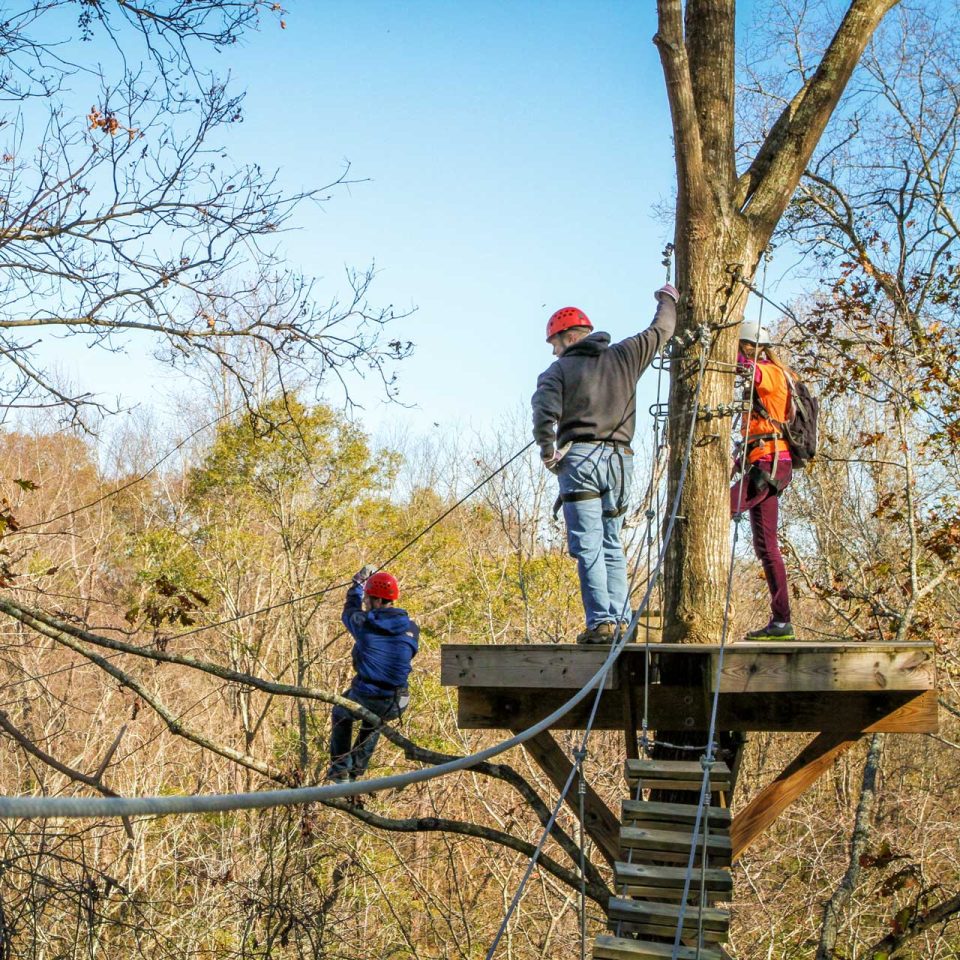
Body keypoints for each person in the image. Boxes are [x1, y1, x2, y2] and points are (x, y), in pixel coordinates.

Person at [532, 284, 678, 644]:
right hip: (620, 460)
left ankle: (601, 623)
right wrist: (667, 299)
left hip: (579, 459)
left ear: (566, 337)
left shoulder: (557, 370)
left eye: (554, 342)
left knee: (587, 545)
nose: (553, 350)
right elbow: (661, 330)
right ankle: (621, 621)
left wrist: (548, 451)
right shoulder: (626, 355)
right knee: (612, 542)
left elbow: (543, 414)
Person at [730, 320, 796, 640]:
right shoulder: (761, 381)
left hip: (770, 463)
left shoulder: (769, 372)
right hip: (765, 462)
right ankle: (782, 621)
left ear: (749, 347)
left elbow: (748, 368)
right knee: (767, 547)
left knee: (717, 509)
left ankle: (782, 619)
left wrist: (725, 346)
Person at [327, 566, 419, 787]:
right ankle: (356, 771)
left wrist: (357, 586)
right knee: (373, 720)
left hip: (370, 694)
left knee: (341, 711)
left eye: (368, 599)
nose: (365, 603)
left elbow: (349, 611)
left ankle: (340, 771)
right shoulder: (412, 628)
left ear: (377, 601)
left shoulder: (364, 624)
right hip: (399, 700)